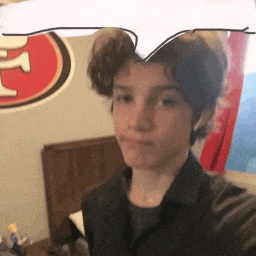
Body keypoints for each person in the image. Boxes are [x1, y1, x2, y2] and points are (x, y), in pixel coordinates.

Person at [81, 28, 256, 256]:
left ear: (202, 113)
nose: (137, 121)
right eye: (125, 98)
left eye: (166, 101)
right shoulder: (95, 203)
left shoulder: (239, 221)